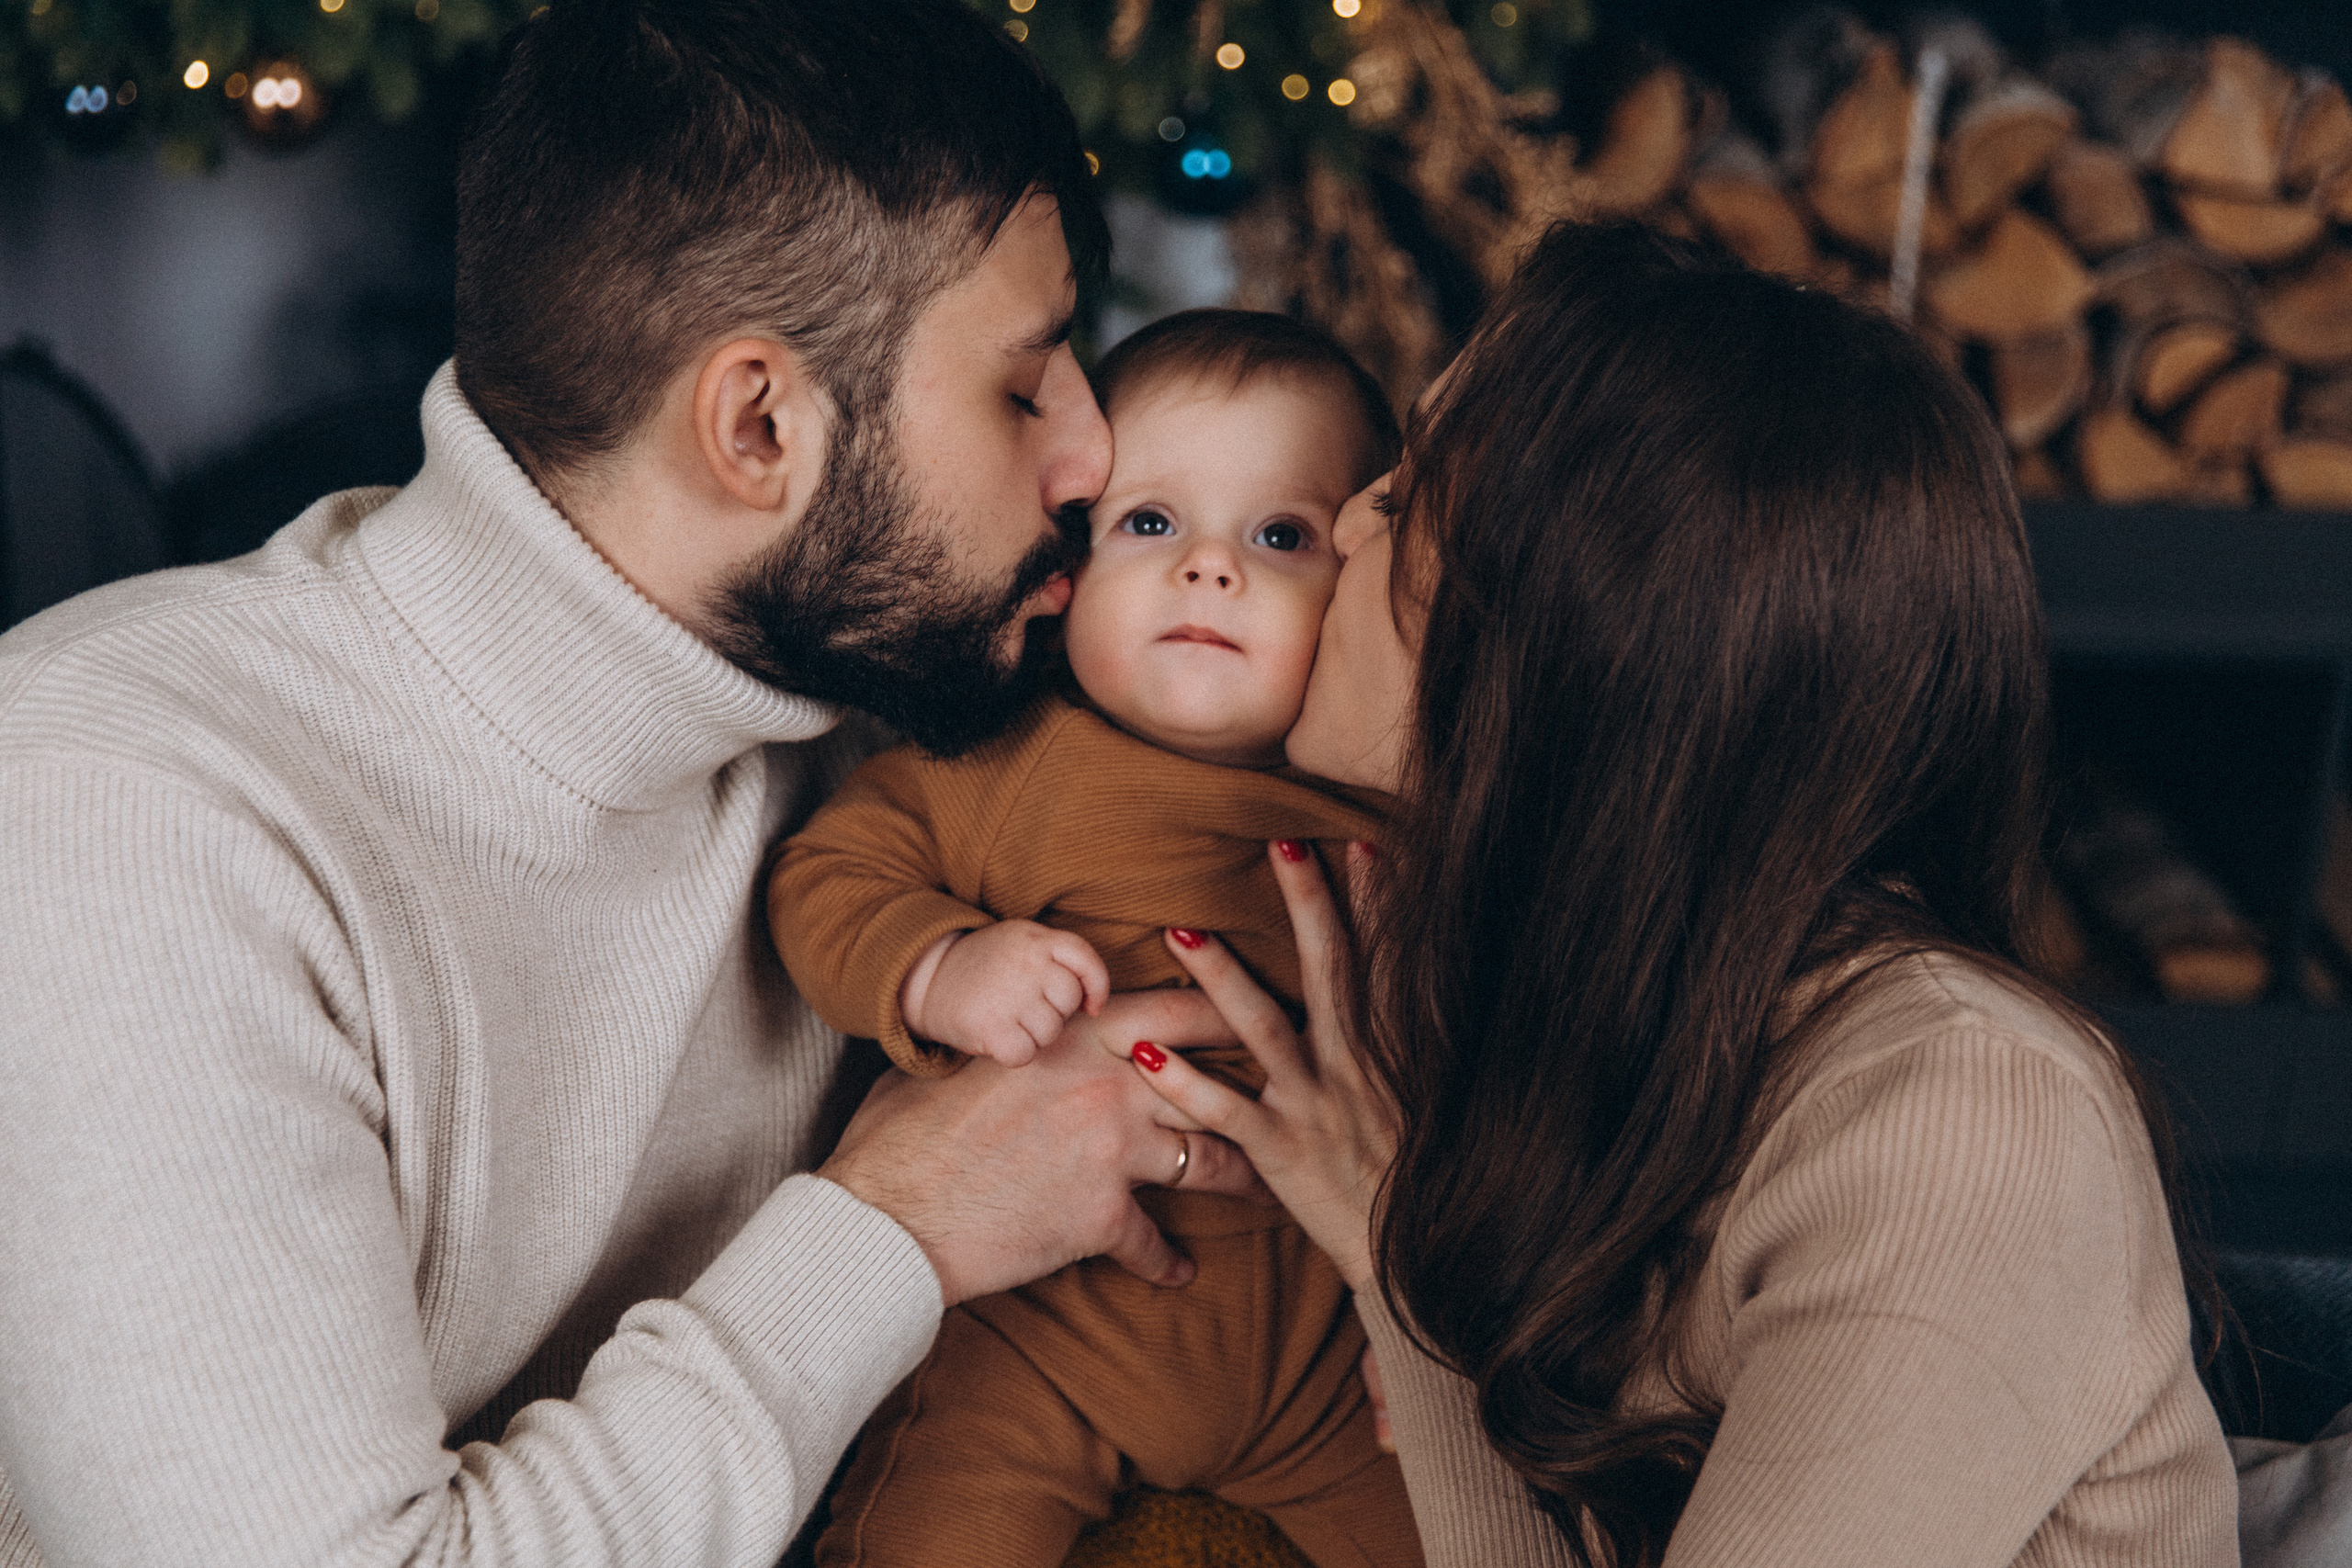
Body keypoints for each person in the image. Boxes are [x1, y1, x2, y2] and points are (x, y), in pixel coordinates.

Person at [0, 3, 1264, 1564]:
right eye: (1024, 386)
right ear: (756, 425)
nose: (1094, 458)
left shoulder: (895, 721)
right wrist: (899, 1228)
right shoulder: (125, 809)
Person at [1122, 222, 2242, 1567]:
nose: (1351, 518)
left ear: (1568, 664)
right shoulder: (1559, 996)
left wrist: (1400, 1264)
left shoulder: (1960, 1125)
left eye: (1410, 501)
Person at [769, 309, 1416, 1567]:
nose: (1209, 569)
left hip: (1319, 1366)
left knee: (1479, 1530)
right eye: (1152, 523)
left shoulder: (1382, 810)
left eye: (1279, 535)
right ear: (1068, 579)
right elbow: (832, 872)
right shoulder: (1020, 766)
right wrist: (938, 965)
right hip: (1040, 1337)